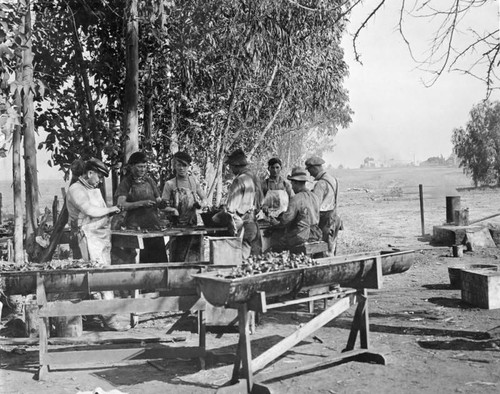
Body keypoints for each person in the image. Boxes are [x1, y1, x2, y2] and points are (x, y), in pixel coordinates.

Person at [66, 158, 127, 330]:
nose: (100, 180)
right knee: (97, 278)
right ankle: (109, 319)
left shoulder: (93, 189)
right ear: (89, 173)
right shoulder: (76, 189)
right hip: (87, 237)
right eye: (98, 176)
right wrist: (111, 209)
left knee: (100, 277)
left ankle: (94, 315)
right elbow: (90, 210)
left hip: (100, 237)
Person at [114, 151, 168, 263]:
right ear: (131, 167)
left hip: (153, 226)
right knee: (138, 263)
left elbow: (158, 200)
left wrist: (162, 204)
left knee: (159, 261)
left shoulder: (150, 180)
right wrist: (141, 203)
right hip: (134, 228)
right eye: (139, 167)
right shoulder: (126, 183)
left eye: (144, 167)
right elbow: (121, 205)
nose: (142, 170)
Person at [162, 151, 208, 261]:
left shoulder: (194, 182)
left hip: (192, 224)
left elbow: (205, 199)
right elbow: (163, 206)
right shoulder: (170, 184)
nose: (181, 168)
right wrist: (172, 210)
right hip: (176, 225)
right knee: (177, 256)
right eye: (179, 165)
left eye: (184, 165)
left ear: (188, 167)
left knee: (193, 256)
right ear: (174, 166)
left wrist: (201, 204)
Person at [267, 167, 322, 252]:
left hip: (301, 236)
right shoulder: (314, 196)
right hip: (315, 234)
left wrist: (275, 223)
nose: (292, 187)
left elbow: (285, 221)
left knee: (276, 242)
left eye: (292, 184)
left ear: (295, 182)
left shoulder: (296, 199)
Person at [223, 148, 263, 258]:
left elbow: (231, 207)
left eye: (231, 166)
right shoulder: (255, 178)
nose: (230, 169)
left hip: (242, 223)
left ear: (236, 165)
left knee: (239, 258)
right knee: (254, 259)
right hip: (254, 220)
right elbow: (261, 201)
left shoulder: (239, 180)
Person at [305, 156, 341, 256]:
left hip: (325, 220)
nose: (310, 174)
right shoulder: (333, 179)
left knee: (322, 251)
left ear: (314, 168)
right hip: (334, 218)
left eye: (309, 170)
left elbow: (315, 206)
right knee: (331, 248)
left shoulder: (320, 184)